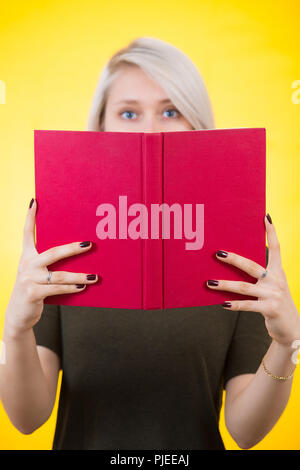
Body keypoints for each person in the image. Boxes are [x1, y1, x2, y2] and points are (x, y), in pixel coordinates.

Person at [1, 37, 299, 451]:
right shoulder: (62, 244)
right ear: (101, 127)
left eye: (171, 111)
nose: (150, 131)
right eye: (128, 112)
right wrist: (16, 328)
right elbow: (27, 417)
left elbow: (245, 432)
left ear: (197, 123)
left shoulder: (241, 252)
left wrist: (287, 345)